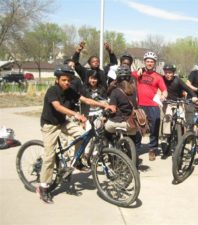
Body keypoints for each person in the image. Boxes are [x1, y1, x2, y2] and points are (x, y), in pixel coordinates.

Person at [37, 65, 108, 204]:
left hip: (62, 122)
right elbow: (57, 106)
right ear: (57, 80)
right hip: (50, 125)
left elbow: (86, 100)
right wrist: (76, 114)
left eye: (68, 80)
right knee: (50, 156)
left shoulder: (70, 91)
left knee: (83, 134)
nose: (66, 82)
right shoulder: (52, 90)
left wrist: (105, 106)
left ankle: (76, 161)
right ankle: (43, 187)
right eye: (63, 80)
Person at [132, 51, 167, 161]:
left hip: (153, 105)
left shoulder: (158, 77)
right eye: (147, 61)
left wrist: (163, 96)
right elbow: (128, 75)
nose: (149, 63)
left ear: (155, 63)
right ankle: (136, 149)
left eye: (151, 61)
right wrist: (137, 72)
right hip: (140, 105)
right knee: (138, 128)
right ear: (144, 62)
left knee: (154, 126)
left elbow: (164, 90)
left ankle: (152, 149)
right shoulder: (138, 73)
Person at [161, 64, 198, 158]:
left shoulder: (177, 80)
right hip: (168, 102)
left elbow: (187, 88)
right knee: (167, 118)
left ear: (173, 73)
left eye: (170, 73)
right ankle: (165, 139)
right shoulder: (162, 79)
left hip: (179, 102)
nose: (168, 74)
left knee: (181, 120)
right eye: (166, 72)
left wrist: (194, 96)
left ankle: (182, 139)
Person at [105, 65, 137, 141]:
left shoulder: (115, 91)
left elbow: (112, 109)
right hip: (131, 124)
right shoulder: (134, 91)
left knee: (105, 128)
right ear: (129, 77)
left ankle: (109, 148)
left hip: (117, 123)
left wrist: (105, 112)